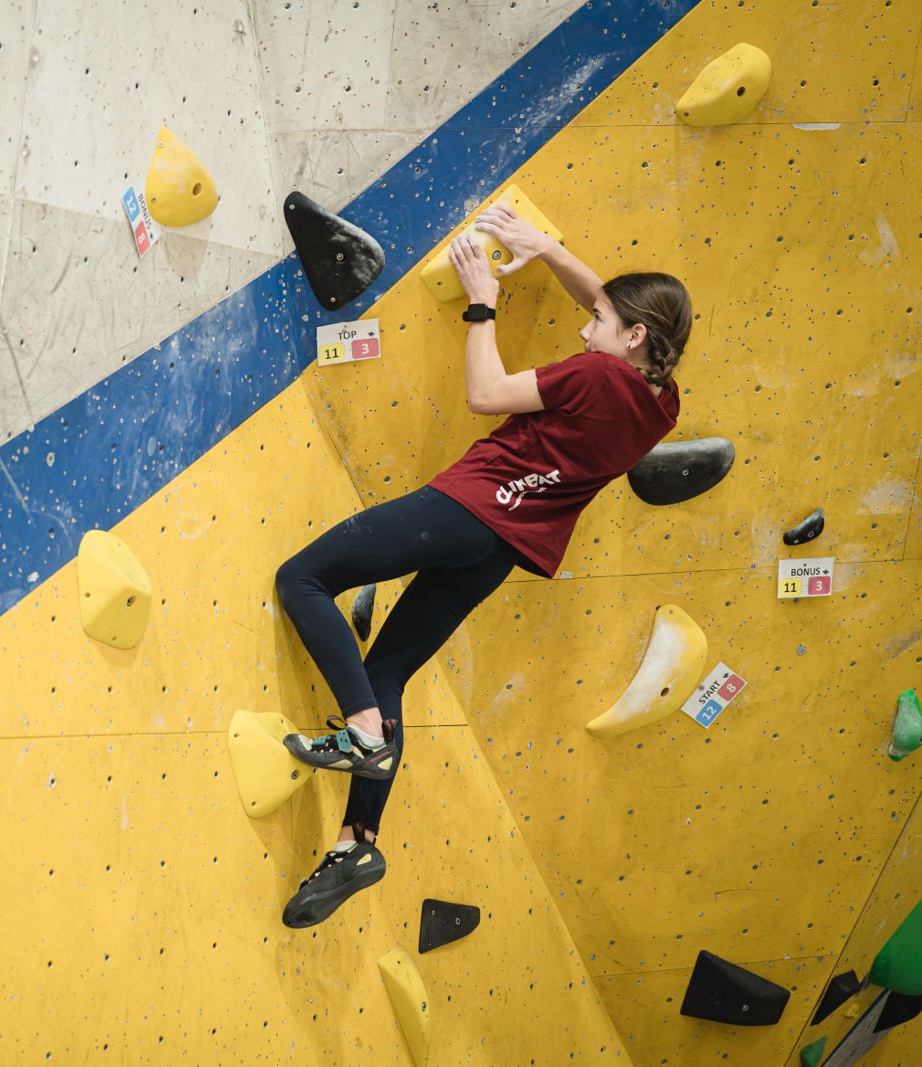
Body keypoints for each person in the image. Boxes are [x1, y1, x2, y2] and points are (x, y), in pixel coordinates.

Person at [272, 203, 690, 928]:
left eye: (599, 323)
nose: (585, 326)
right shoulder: (662, 404)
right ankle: (357, 842)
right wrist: (550, 250)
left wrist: (482, 306)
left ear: (633, 336)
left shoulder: (595, 375)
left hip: (468, 509)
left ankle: (365, 732)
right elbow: (606, 304)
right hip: (503, 549)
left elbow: (485, 394)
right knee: (390, 670)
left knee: (302, 578)